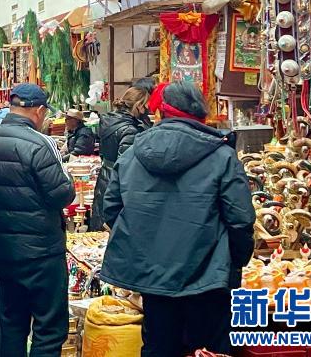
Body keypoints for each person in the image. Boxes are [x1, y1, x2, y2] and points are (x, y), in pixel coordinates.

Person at [100, 81, 254, 357]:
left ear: (161, 113)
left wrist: (143, 246)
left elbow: (111, 208)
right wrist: (234, 261)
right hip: (208, 278)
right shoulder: (222, 156)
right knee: (208, 350)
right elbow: (240, 219)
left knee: (159, 346)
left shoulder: (134, 153)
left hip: (153, 276)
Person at [0, 83, 75, 357]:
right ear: (39, 111)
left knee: (12, 324)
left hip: (5, 249)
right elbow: (61, 194)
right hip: (42, 251)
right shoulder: (40, 143)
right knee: (49, 328)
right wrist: (69, 180)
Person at [88, 87, 150, 231]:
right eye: (146, 105)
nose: (148, 109)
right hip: (117, 185)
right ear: (139, 105)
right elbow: (127, 168)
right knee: (113, 228)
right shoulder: (130, 130)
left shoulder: (109, 121)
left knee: (101, 226)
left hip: (105, 177)